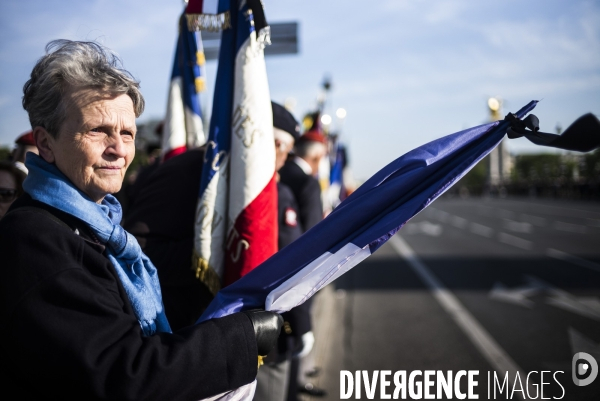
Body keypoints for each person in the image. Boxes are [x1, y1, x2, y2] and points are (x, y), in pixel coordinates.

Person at [0, 39, 282, 400]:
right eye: (98, 130)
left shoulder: (98, 227)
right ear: (46, 143)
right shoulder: (34, 239)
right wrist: (238, 340)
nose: (118, 149)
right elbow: (121, 372)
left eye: (128, 133)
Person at [278, 129, 328, 400]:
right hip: (295, 280)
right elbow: (310, 242)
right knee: (293, 342)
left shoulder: (278, 173)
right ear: (317, 156)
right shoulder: (308, 183)